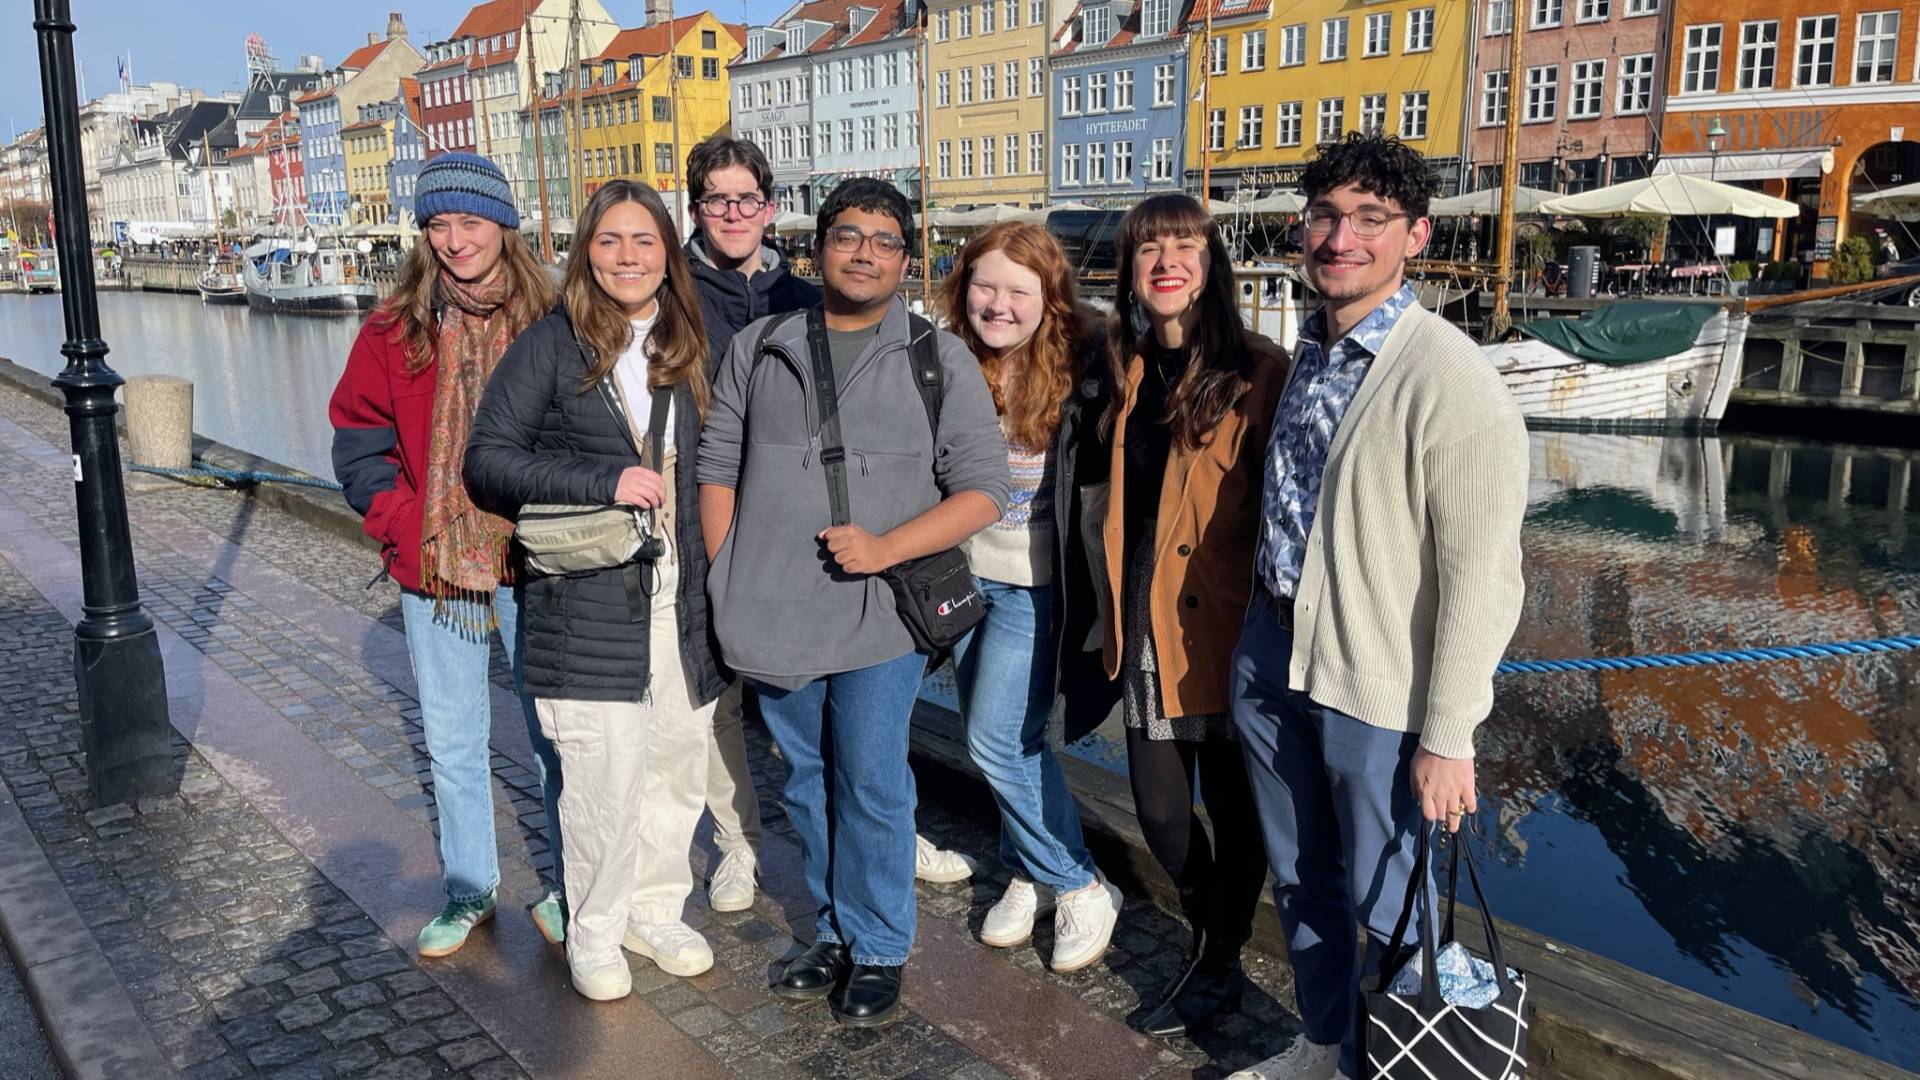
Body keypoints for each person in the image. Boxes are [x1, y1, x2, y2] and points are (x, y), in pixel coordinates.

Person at [1225, 132, 1528, 1080]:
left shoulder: (1450, 378)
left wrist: (1450, 733)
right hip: (1273, 655)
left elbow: (1486, 575)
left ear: (1415, 235)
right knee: (1302, 877)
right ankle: (1325, 1046)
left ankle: (1403, 1062)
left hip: (1376, 685)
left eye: (1369, 219)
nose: (1340, 238)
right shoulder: (1311, 349)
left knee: (1392, 898)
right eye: (1324, 216)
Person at [698, 178, 1010, 1027]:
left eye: (882, 239)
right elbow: (716, 469)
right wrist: (729, 577)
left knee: (871, 781)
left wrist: (886, 548)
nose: (864, 252)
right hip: (772, 612)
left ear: (906, 260)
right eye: (847, 235)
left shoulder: (935, 358)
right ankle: (832, 930)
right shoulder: (760, 347)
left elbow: (984, 490)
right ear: (817, 247)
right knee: (804, 779)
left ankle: (877, 945)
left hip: (880, 620)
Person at [464, 180, 727, 1001]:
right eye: (609, 241)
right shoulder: (551, 346)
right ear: (586, 252)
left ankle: (655, 909)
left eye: (644, 241)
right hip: (586, 598)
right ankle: (598, 928)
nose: (627, 257)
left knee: (677, 766)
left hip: (682, 595)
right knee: (603, 778)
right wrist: (603, 479)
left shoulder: (690, 344)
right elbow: (488, 462)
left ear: (668, 253)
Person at [327, 152, 568, 957]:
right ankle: (470, 888)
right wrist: (404, 523)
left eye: (470, 221)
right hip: (435, 566)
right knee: (453, 735)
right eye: (439, 224)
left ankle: (572, 885)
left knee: (555, 733)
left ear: (504, 225)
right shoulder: (393, 329)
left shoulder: (556, 320)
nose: (456, 239)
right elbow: (359, 445)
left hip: (535, 557)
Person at [1099, 192, 1288, 1040]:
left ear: (1213, 267)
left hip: (1229, 625)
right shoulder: (1120, 367)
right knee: (1164, 816)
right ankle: (1219, 936)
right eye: (1150, 249)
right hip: (1147, 624)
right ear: (1131, 272)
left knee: (1239, 810)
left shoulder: (1260, 369)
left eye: (1186, 247)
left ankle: (1218, 957)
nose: (1167, 261)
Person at [937, 222, 1121, 971]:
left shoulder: (1089, 365)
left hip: (1039, 587)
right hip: (963, 576)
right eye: (985, 285)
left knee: (993, 740)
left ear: (1050, 296)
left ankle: (1080, 882)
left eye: (1020, 290)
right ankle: (1029, 870)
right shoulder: (948, 361)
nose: (1000, 304)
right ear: (962, 288)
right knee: (1016, 741)